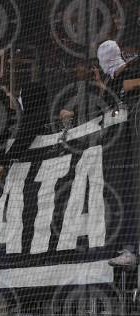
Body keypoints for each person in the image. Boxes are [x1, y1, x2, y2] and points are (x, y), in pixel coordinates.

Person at [96, 40, 140, 268]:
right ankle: (129, 248)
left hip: (135, 143)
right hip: (121, 150)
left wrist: (130, 84)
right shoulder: (110, 83)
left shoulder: (135, 68)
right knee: (125, 195)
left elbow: (131, 86)